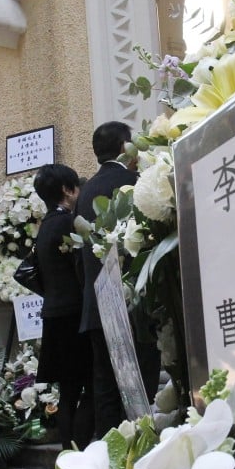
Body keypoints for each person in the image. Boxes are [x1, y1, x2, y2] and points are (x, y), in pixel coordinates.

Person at [76, 121, 161, 437]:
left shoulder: (85, 193)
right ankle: (142, 452)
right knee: (142, 385)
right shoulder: (134, 182)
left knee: (106, 388)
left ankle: (109, 455)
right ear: (127, 147)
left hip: (98, 303)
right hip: (132, 303)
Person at [32, 163, 94, 450]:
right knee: (92, 386)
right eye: (76, 187)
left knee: (68, 390)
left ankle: (68, 451)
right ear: (68, 190)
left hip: (54, 316)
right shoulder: (68, 223)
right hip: (74, 317)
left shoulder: (44, 228)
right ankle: (80, 449)